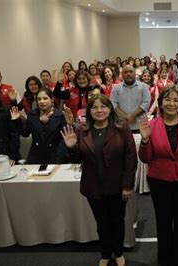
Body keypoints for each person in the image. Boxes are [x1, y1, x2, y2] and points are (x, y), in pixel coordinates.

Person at [61, 94, 137, 266]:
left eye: (103, 106)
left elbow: (130, 157)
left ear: (110, 109)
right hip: (93, 187)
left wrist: (127, 185)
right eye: (94, 107)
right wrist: (71, 148)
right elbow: (76, 160)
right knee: (101, 223)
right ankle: (105, 252)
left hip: (118, 187)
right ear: (89, 111)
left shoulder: (121, 127)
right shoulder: (82, 130)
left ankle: (118, 252)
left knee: (117, 221)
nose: (99, 110)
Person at [138, 85, 178, 266]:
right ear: (161, 102)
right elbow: (145, 158)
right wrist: (144, 140)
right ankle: (164, 259)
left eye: (175, 100)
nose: (171, 103)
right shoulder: (152, 125)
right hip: (159, 182)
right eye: (167, 99)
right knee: (163, 222)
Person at [11, 88, 67, 164]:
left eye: (45, 98)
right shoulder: (32, 114)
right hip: (36, 157)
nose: (42, 101)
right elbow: (25, 133)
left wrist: (59, 158)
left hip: (55, 156)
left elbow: (63, 139)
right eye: (39, 99)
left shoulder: (60, 115)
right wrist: (17, 120)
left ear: (52, 99)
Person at [110, 65, 151, 133]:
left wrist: (132, 115)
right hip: (122, 126)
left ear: (135, 74)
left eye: (130, 71)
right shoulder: (116, 88)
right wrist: (126, 116)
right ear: (122, 75)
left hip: (140, 126)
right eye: (125, 72)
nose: (128, 74)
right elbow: (113, 103)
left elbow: (146, 103)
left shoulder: (144, 87)